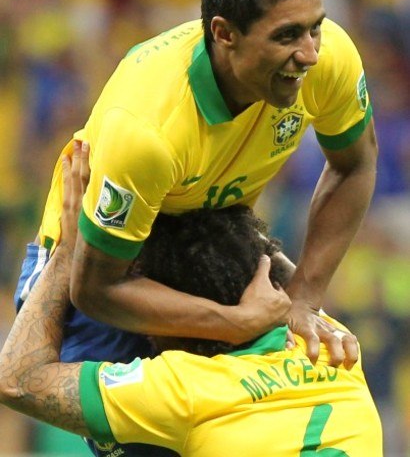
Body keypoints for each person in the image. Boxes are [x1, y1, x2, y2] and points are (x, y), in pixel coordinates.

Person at [15, 0, 376, 410]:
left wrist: (303, 299)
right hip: (102, 257)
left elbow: (354, 165)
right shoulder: (148, 132)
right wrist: (235, 322)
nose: (311, 53)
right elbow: (96, 290)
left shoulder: (328, 58)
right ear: (224, 34)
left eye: (316, 26)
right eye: (288, 35)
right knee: (139, 432)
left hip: (209, 251)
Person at [0, 145, 383, 456]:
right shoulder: (336, 345)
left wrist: (70, 252)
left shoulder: (184, 388)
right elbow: (262, 263)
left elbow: (17, 381)